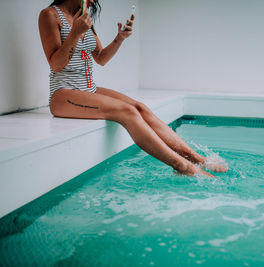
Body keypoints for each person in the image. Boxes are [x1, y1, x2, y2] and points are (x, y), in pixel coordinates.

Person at [38, 0, 227, 177]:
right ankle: (182, 166)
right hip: (63, 95)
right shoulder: (50, 15)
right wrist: (75, 33)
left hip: (88, 88)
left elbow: (101, 58)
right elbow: (56, 64)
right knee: (127, 112)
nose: (95, 1)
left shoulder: (83, 16)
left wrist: (120, 38)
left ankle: (196, 158)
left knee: (140, 107)